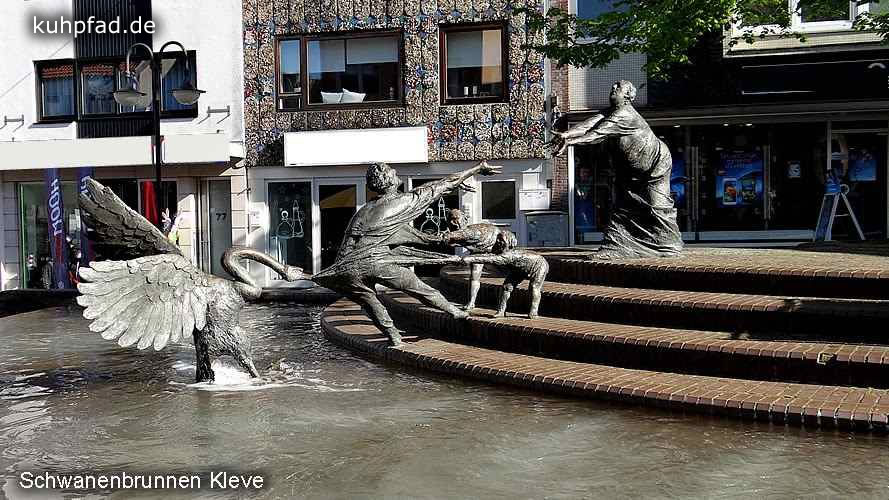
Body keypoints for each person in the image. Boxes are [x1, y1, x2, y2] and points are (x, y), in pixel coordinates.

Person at [312, 160, 501, 346]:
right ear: (387, 180)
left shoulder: (364, 210)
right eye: (391, 171)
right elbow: (442, 185)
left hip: (349, 267)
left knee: (370, 303)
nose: (395, 172)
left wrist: (343, 271)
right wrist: (477, 168)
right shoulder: (400, 202)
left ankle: (394, 338)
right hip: (376, 262)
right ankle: (455, 312)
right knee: (419, 288)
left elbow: (348, 244)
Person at [547, 80, 683, 260]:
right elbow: (588, 125)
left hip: (656, 164)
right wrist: (565, 134)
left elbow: (598, 134)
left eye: (619, 86)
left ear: (628, 95)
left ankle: (668, 245)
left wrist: (570, 142)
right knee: (624, 204)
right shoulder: (610, 112)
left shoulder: (625, 114)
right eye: (614, 85)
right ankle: (621, 243)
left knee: (657, 205)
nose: (613, 87)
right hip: (630, 170)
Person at [458, 233, 549, 319]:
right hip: (519, 269)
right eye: (498, 239)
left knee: (534, 287)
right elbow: (487, 254)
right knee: (506, 287)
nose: (498, 241)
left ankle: (533, 311)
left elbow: (491, 259)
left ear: (509, 243)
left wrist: (469, 259)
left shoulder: (509, 255)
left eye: (501, 240)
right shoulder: (500, 251)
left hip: (539, 265)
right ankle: (501, 311)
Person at [442, 208, 514, 311]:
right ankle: (471, 302)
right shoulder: (462, 233)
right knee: (474, 277)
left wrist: (447, 236)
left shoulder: (471, 231)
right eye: (450, 220)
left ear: (464, 219)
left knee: (508, 273)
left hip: (496, 248)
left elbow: (457, 236)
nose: (453, 222)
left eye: (456, 218)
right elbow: (454, 240)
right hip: (480, 252)